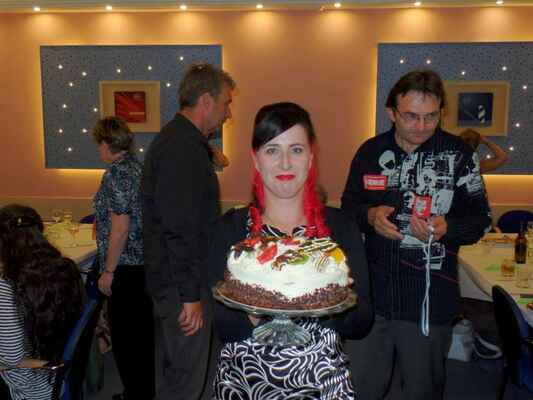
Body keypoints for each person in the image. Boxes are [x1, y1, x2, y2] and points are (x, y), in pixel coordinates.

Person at [341, 70, 492, 400]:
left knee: (422, 391)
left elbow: (482, 220)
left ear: (441, 113)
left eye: (431, 117)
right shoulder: (370, 152)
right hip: (372, 296)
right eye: (411, 116)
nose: (422, 126)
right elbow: (348, 208)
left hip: (429, 301)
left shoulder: (460, 155)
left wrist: (448, 228)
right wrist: (370, 216)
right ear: (391, 112)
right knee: (359, 388)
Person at [207, 102, 373, 399]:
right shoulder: (230, 229)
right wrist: (260, 303)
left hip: (322, 386)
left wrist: (330, 299)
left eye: (296, 150)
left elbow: (362, 322)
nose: (285, 163)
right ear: (256, 159)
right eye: (272, 150)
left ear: (310, 157)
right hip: (245, 387)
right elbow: (223, 327)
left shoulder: (340, 227)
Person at [142, 63, 235, 400]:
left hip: (178, 282)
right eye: (226, 103)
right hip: (181, 287)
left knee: (179, 375)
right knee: (185, 382)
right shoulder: (181, 148)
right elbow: (179, 229)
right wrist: (190, 296)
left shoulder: (183, 141)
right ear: (206, 100)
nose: (228, 113)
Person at [92, 116, 154, 400]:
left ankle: (135, 394)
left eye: (99, 144)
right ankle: (143, 391)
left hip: (125, 267)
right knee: (141, 335)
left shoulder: (116, 174)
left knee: (127, 338)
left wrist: (108, 271)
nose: (99, 149)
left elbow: (120, 228)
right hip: (142, 263)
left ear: (107, 144)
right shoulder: (137, 167)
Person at [0, 204, 83, 400]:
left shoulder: (8, 288)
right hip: (56, 374)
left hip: (26, 385)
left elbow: (13, 358)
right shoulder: (66, 269)